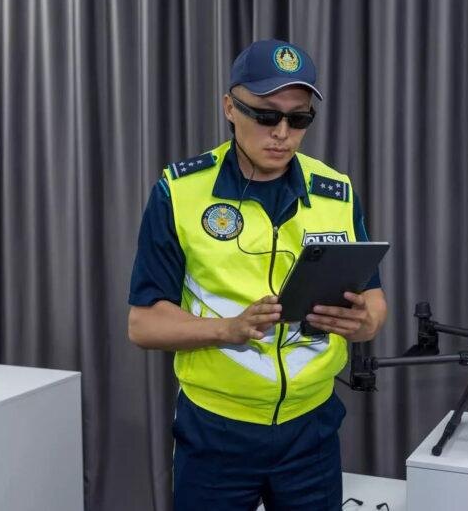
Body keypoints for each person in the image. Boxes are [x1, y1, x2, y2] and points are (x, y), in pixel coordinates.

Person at [127, 38, 388, 511]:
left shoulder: (336, 191)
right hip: (216, 432)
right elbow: (143, 324)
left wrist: (364, 323)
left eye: (299, 119)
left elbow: (373, 302)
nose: (282, 133)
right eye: (266, 116)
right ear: (230, 107)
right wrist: (228, 329)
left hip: (312, 430)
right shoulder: (179, 192)